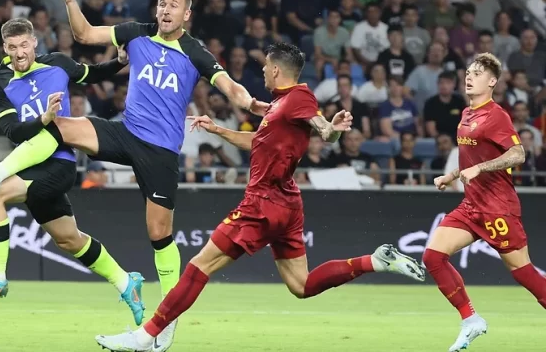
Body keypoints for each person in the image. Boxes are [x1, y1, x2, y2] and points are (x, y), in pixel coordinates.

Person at [0, 0, 267, 350]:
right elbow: (84, 34)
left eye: (173, 5)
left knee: (159, 232)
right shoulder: (135, 33)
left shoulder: (194, 51)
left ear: (187, 14)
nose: (165, 10)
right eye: (162, 3)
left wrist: (249, 104)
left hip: (160, 151)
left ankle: (167, 321)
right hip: (125, 132)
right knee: (63, 125)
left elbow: (228, 85)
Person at [94, 42, 426, 351]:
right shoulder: (280, 106)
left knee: (199, 266)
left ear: (278, 71)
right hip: (287, 203)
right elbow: (259, 144)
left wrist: (333, 127)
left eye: (267, 66)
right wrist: (218, 131)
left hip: (262, 203)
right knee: (301, 285)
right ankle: (376, 260)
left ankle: (147, 334)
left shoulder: (297, 98)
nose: (264, 71)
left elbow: (324, 132)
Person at [0, 18, 144, 324]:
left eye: (24, 45)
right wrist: (44, 118)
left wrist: (118, 61)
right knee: (69, 240)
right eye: (12, 47)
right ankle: (125, 282)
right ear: (4, 48)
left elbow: (91, 75)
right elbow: (13, 131)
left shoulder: (57, 65)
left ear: (34, 42)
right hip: (28, 164)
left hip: (59, 163)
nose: (19, 53)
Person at [426, 53, 546, 352]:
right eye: (468, 71)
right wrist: (451, 174)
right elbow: (473, 157)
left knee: (525, 274)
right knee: (432, 256)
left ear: (492, 81)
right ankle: (471, 320)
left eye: (478, 73)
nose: (470, 76)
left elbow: (518, 154)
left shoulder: (497, 115)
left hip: (497, 208)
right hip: (472, 206)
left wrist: (480, 169)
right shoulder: (467, 114)